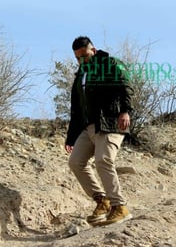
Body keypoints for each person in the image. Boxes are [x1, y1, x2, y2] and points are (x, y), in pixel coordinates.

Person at [64, 36, 134, 225]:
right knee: (76, 162)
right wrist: (71, 136)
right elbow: (76, 107)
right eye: (77, 58)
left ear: (93, 51)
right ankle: (102, 200)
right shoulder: (81, 74)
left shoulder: (110, 64)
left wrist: (125, 111)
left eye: (84, 56)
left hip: (110, 123)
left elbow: (126, 86)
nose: (81, 61)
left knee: (104, 160)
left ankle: (120, 207)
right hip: (88, 127)